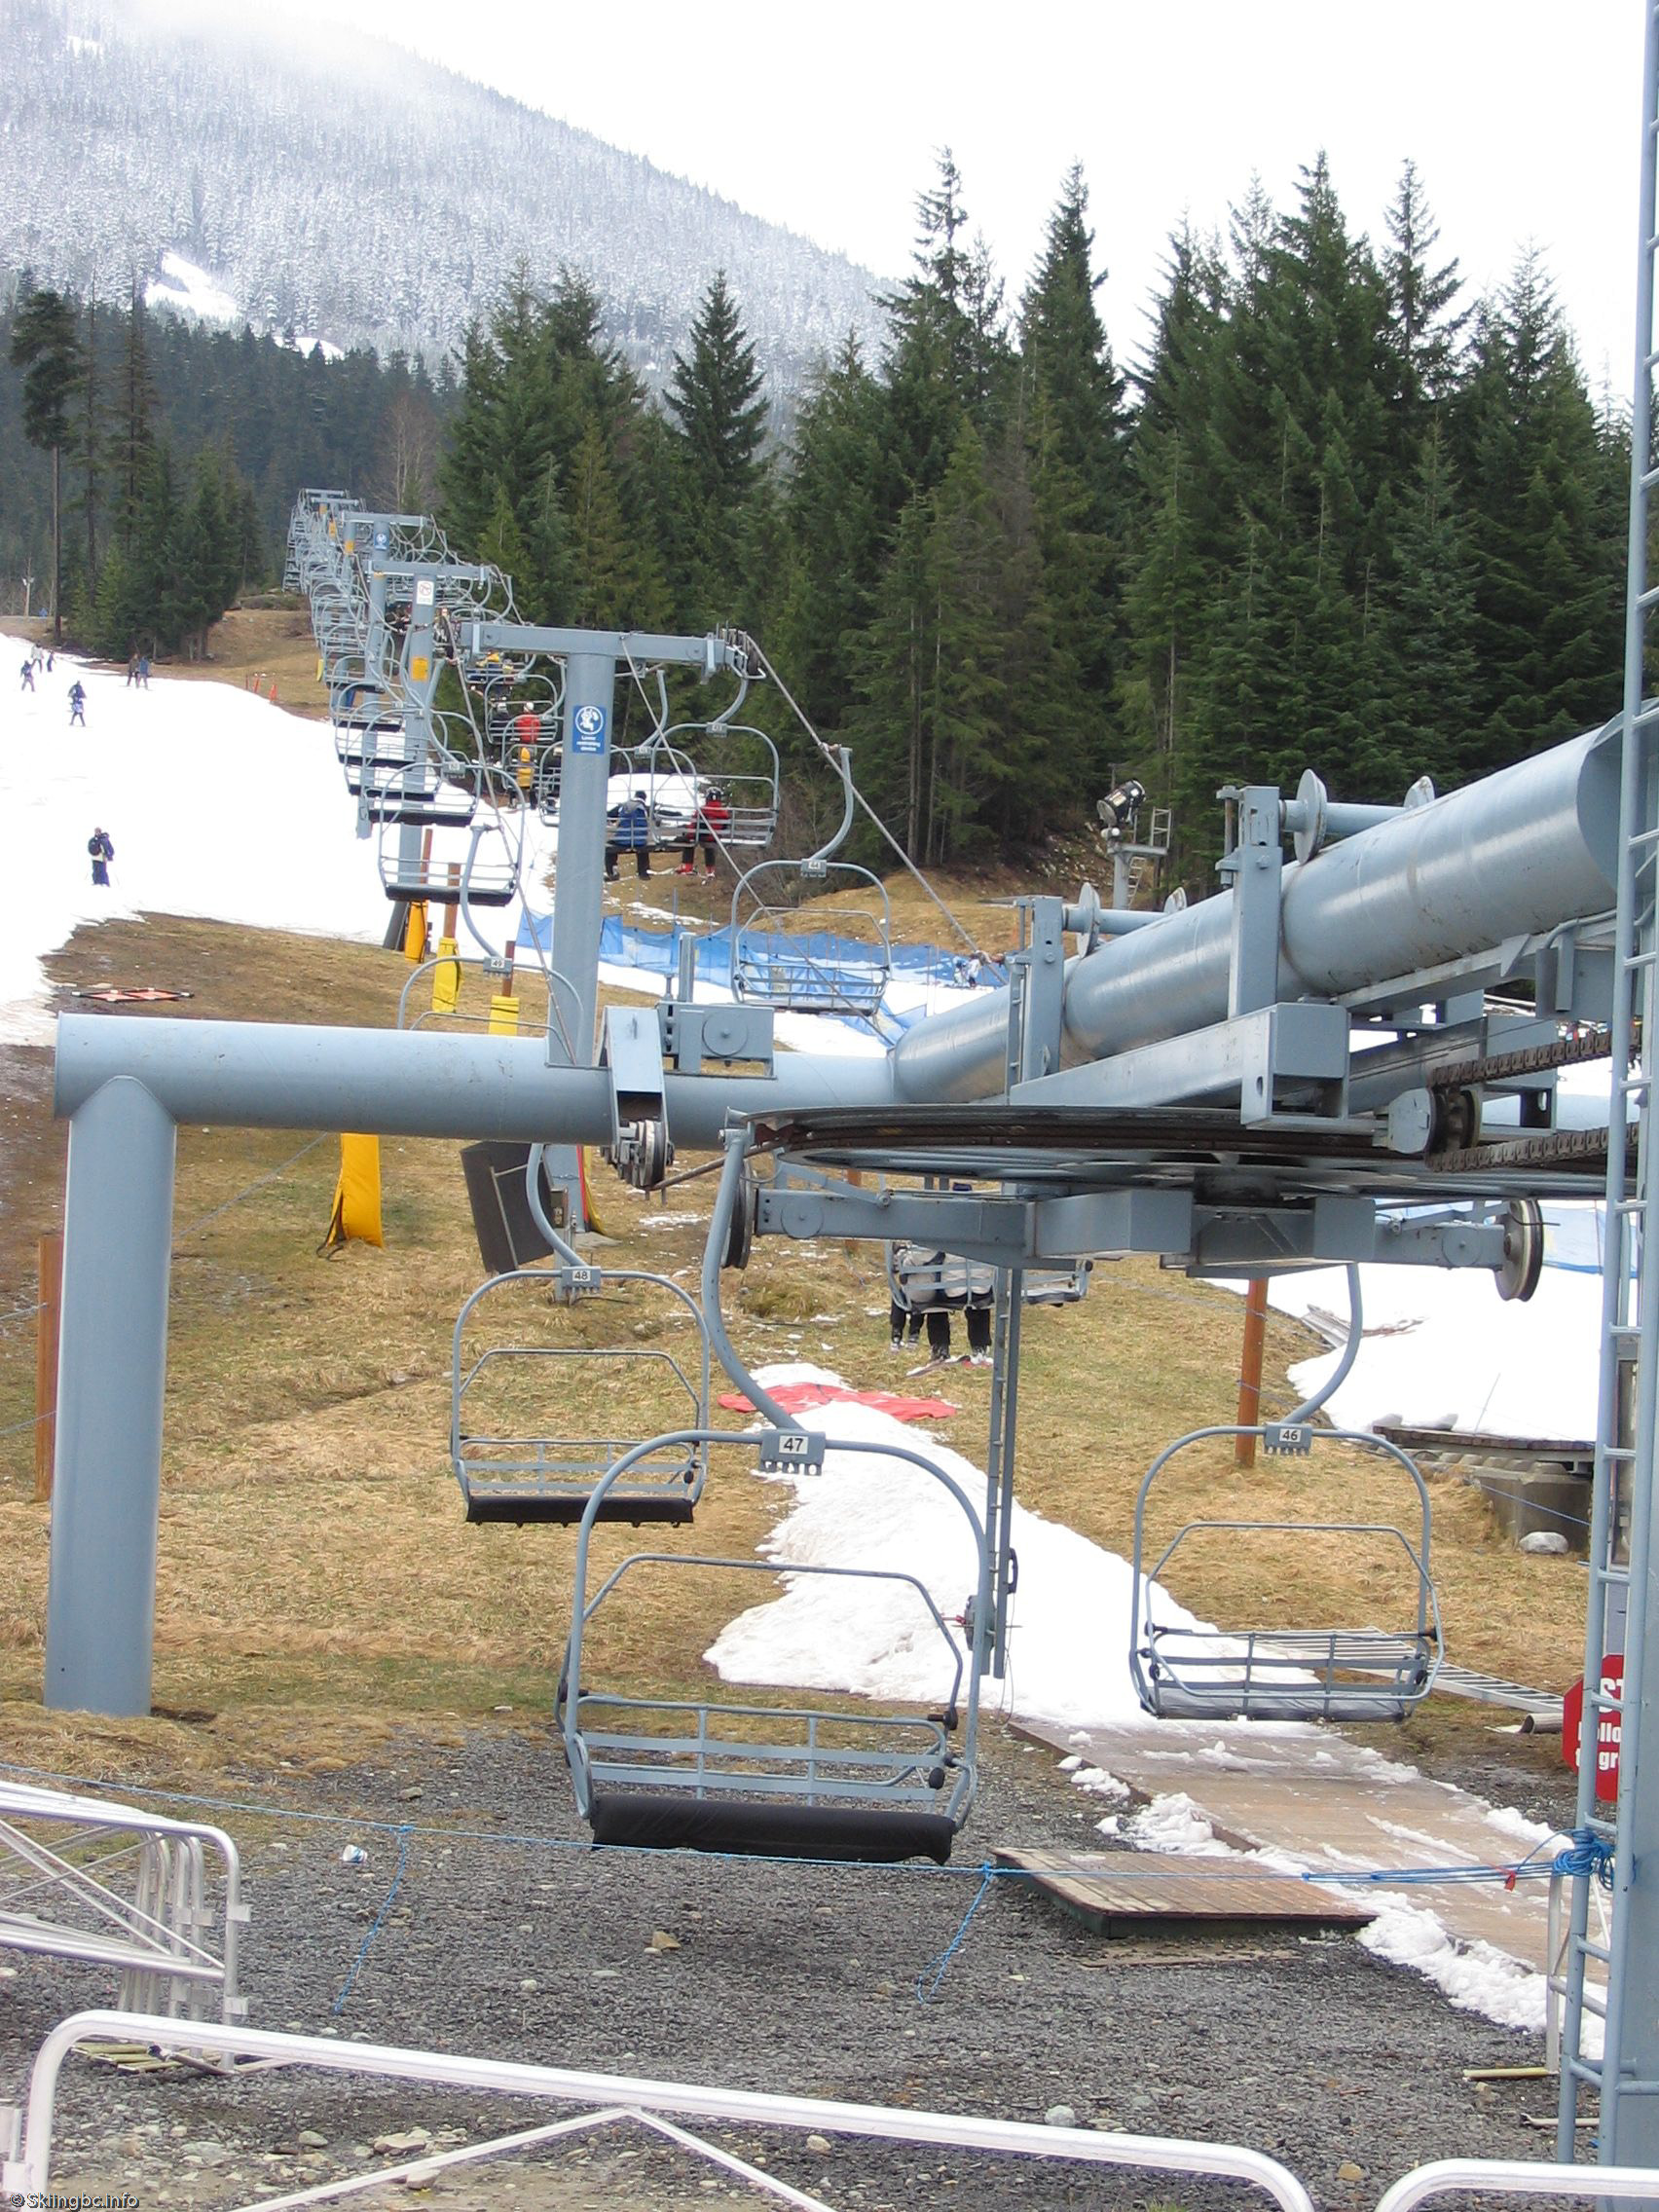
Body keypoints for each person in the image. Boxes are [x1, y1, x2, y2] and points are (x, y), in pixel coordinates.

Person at [677, 786, 731, 878]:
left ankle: (687, 866)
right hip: (714, 838)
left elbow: (694, 826)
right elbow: (724, 827)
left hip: (702, 836)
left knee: (689, 840)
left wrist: (687, 835)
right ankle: (710, 870)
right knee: (709, 846)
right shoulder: (724, 813)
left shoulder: (702, 811)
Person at [605, 789, 653, 882]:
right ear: (644, 799)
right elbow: (654, 820)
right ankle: (642, 871)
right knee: (643, 848)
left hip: (623, 840)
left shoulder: (623, 805)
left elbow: (610, 816)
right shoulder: (646, 808)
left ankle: (612, 872)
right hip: (639, 840)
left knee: (609, 848)